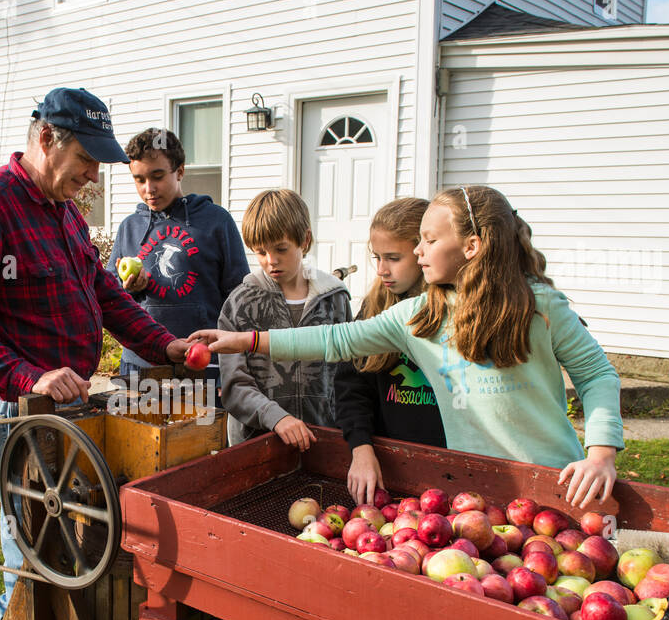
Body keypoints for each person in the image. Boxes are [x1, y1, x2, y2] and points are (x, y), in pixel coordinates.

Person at [0, 87, 194, 620]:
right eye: (86, 162)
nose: (93, 177)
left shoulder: (63, 211)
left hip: (70, 408)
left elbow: (105, 295)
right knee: (28, 534)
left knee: (59, 530)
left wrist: (165, 344)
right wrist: (34, 376)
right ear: (47, 140)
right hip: (19, 407)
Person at [192, 184, 623, 508]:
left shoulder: (541, 306)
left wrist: (601, 453)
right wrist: (246, 339)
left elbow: (597, 374)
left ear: (471, 246)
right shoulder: (420, 314)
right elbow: (336, 339)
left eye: (429, 241)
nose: (418, 252)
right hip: (471, 487)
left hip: (560, 482)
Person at [108, 129, 249, 391]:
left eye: (157, 176)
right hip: (141, 365)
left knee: (200, 432)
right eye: (139, 179)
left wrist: (232, 362)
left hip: (203, 366)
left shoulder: (215, 221)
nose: (148, 189)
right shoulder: (130, 228)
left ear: (180, 171)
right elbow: (109, 294)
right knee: (139, 433)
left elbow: (239, 297)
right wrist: (130, 286)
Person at [218, 189, 352, 450]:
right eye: (260, 252)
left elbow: (348, 376)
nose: (271, 261)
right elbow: (234, 385)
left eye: (281, 249)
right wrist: (276, 417)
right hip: (257, 445)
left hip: (323, 442)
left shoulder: (334, 299)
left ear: (305, 240)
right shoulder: (240, 303)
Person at [336, 198, 445, 507]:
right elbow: (351, 387)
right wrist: (361, 447)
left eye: (394, 258)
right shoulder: (371, 310)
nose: (382, 270)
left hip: (451, 472)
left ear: (423, 251)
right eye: (377, 257)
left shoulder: (455, 312)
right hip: (388, 472)